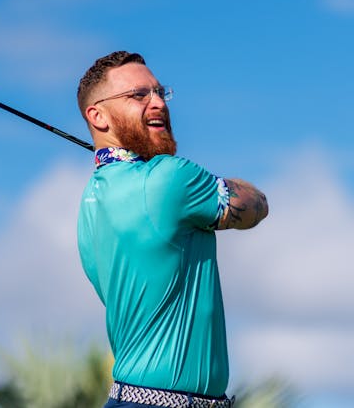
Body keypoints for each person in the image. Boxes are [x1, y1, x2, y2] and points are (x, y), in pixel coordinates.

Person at [76, 51, 268, 408]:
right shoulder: (171, 177)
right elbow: (257, 206)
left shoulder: (91, 199)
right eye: (139, 95)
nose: (158, 103)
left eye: (161, 92)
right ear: (97, 116)